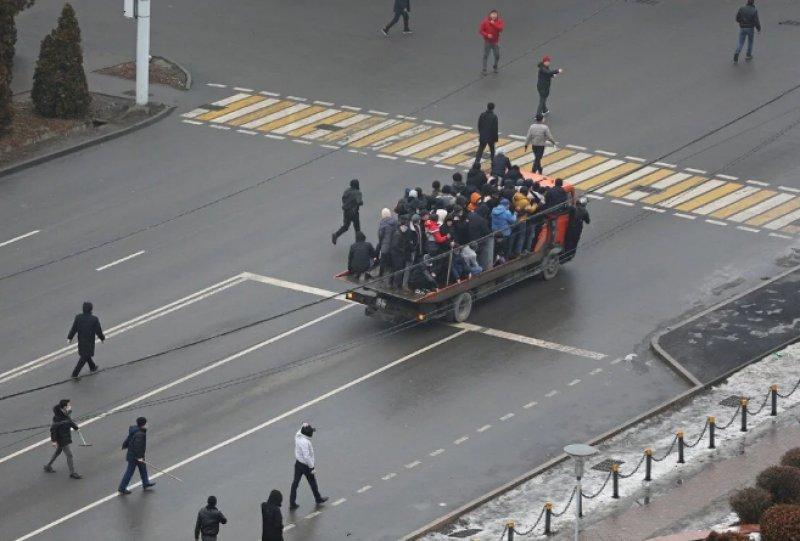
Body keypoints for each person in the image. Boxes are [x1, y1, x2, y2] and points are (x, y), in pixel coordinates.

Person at [289, 423, 327, 510]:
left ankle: (292, 502)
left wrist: (304, 425)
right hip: (306, 466)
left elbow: (301, 429)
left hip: (298, 464)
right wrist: (312, 467)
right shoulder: (305, 442)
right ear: (308, 434)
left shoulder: (298, 435)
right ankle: (318, 498)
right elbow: (307, 456)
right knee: (313, 483)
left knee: (295, 483)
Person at [44, 399, 82, 478]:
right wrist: (54, 441)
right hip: (61, 438)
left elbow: (69, 421)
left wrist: (76, 428)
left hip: (65, 435)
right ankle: (72, 473)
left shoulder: (65, 413)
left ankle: (48, 466)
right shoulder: (57, 418)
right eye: (68, 405)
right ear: (64, 407)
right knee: (69, 455)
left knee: (58, 452)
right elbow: (53, 429)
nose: (70, 406)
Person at [68, 301, 105, 378]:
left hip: (81, 340)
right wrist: (102, 338)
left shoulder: (78, 317)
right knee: (84, 357)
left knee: (85, 354)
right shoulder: (94, 319)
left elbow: (74, 328)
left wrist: (70, 338)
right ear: (91, 309)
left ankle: (92, 367)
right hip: (89, 341)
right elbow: (98, 330)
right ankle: (74, 374)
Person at [118, 416, 155, 494]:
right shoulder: (140, 434)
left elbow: (129, 438)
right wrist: (139, 457)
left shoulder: (136, 430)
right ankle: (122, 488)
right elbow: (137, 446)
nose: (148, 424)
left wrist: (125, 445)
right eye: (146, 423)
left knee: (143, 468)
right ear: (143, 424)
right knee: (129, 472)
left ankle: (146, 483)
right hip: (135, 456)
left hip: (135, 455)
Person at [332, 179, 363, 245]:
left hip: (346, 212)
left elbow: (343, 199)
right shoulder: (357, 192)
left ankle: (336, 235)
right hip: (354, 212)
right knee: (357, 228)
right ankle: (358, 243)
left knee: (345, 227)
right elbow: (359, 202)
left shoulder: (346, 191)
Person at [479, 9, 504, 75]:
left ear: (497, 15)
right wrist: (487, 35)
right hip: (488, 42)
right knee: (486, 55)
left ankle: (495, 66)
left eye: (495, 14)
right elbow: (480, 31)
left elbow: (501, 29)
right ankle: (484, 69)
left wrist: (493, 24)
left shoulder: (499, 21)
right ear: (490, 15)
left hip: (495, 42)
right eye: (493, 14)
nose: (494, 16)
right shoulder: (485, 21)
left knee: (497, 55)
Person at [474, 102, 499, 168]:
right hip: (491, 137)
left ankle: (476, 163)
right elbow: (495, 129)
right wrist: (495, 138)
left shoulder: (482, 115)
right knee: (492, 151)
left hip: (483, 136)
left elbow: (479, 125)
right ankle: (493, 164)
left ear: (487, 107)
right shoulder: (494, 117)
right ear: (493, 108)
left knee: (480, 150)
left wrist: (481, 133)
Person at [377, 208, 397, 276]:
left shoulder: (382, 223)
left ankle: (381, 273)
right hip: (394, 243)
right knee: (392, 259)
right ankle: (392, 273)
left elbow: (380, 235)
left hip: (385, 243)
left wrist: (380, 243)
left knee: (383, 259)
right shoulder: (394, 221)